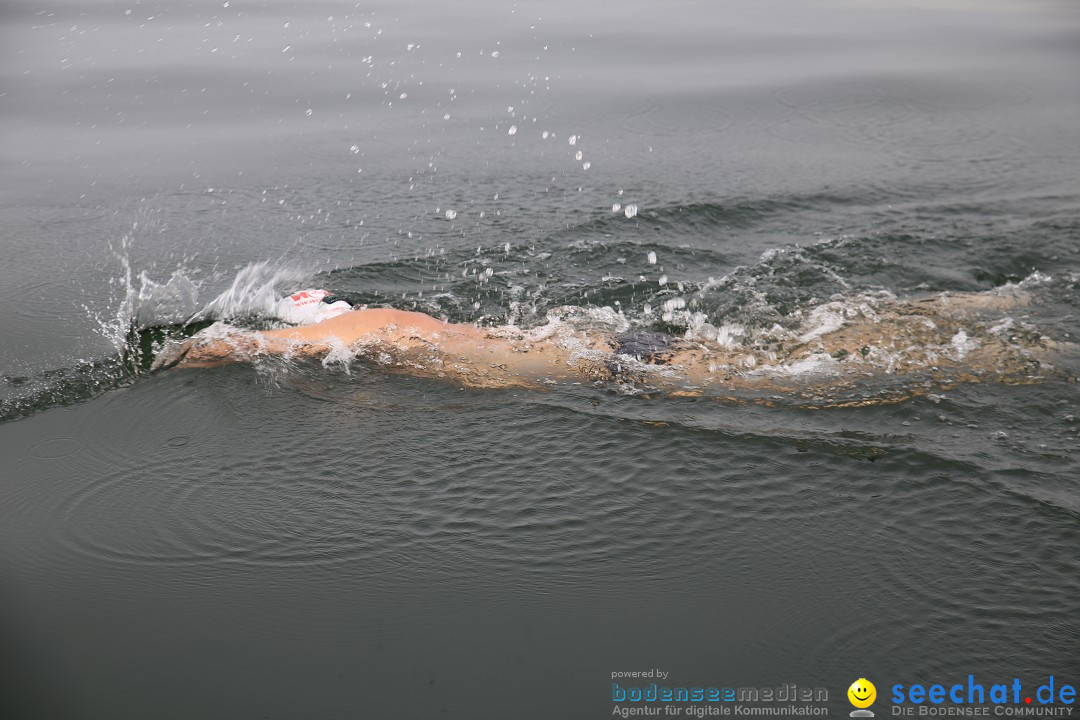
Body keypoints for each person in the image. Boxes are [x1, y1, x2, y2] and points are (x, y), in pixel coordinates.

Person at [154, 285, 1061, 400]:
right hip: (602, 343)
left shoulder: (362, 330)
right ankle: (986, 302)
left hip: (606, 367)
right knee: (801, 341)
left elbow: (256, 348)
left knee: (802, 379)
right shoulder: (405, 328)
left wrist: (197, 350)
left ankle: (1024, 353)